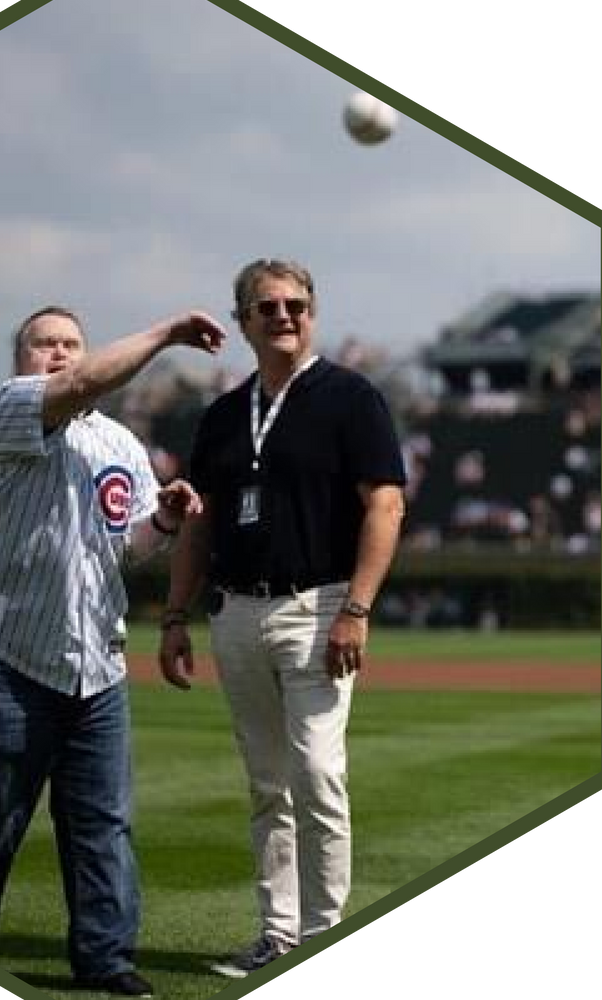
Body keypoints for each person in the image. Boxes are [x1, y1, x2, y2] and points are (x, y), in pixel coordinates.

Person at [0, 304, 226, 997]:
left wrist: (164, 518)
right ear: (21, 358)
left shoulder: (122, 444)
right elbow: (79, 387)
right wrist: (164, 335)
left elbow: (128, 550)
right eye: (45, 344)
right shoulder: (11, 407)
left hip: (96, 660)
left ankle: (105, 958)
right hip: (3, 651)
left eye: (71, 343)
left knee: (102, 825)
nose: (60, 354)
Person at [158, 259, 406, 977]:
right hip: (234, 609)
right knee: (267, 783)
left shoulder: (351, 397)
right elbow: (197, 528)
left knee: (318, 773)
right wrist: (174, 616)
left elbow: (385, 505)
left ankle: (323, 932)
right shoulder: (223, 415)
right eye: (267, 307)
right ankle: (278, 933)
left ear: (313, 312)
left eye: (296, 304)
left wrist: (356, 607)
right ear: (241, 322)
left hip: (318, 603)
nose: (284, 316)